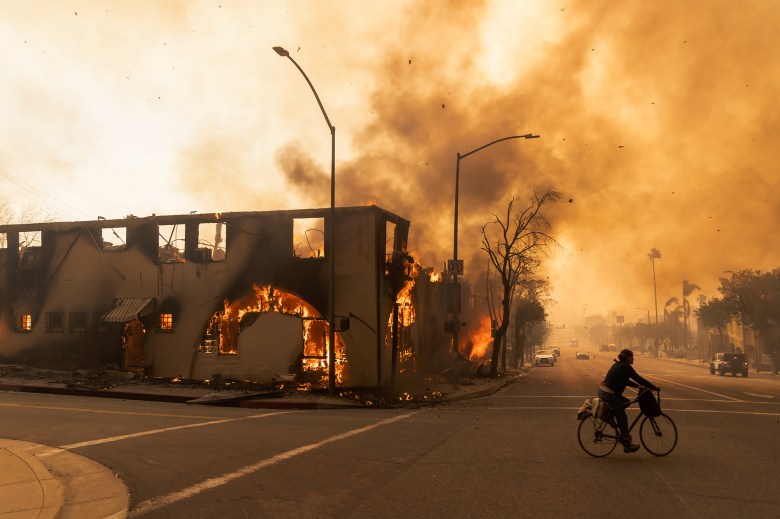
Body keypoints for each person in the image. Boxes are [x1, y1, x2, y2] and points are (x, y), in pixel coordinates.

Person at [598, 348, 660, 453]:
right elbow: (638, 378)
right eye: (632, 357)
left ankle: (609, 416)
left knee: (625, 402)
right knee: (622, 416)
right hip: (609, 393)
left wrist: (638, 386)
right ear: (627, 358)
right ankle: (626, 442)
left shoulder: (618, 365)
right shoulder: (626, 367)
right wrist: (653, 387)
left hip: (603, 391)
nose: (633, 359)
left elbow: (626, 381)